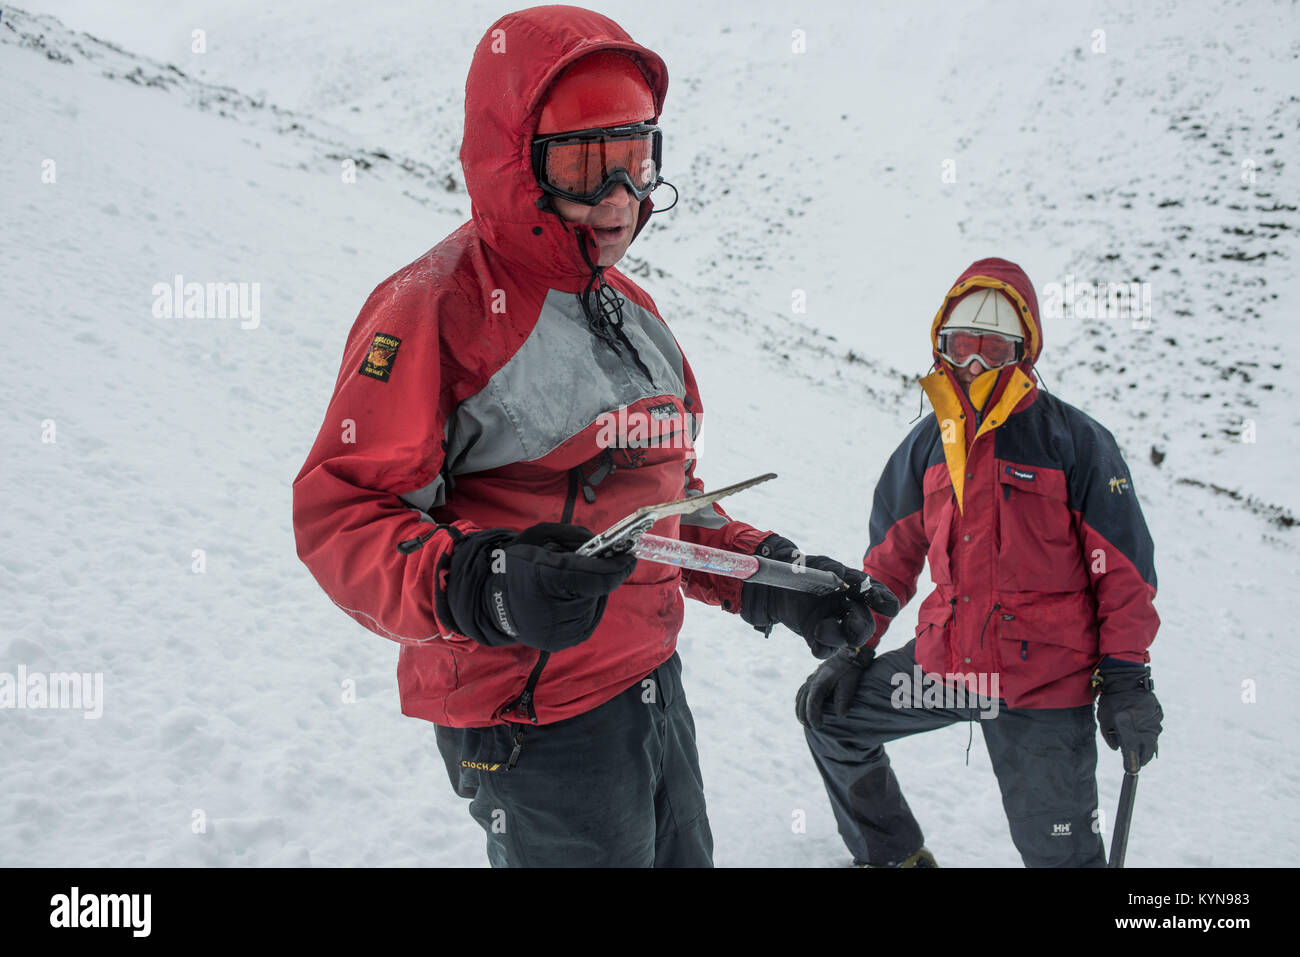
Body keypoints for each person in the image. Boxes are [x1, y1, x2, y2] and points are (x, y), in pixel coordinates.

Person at [292, 4, 886, 868]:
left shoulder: (635, 315)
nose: (619, 199)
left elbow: (663, 507)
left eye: (637, 161)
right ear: (513, 163)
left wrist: (773, 581)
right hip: (531, 719)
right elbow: (341, 516)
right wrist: (479, 581)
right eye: (584, 165)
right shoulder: (434, 308)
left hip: (649, 686)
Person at [795, 257, 1164, 867]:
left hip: (1043, 686)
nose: (972, 364)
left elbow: (1123, 575)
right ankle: (893, 856)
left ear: (1021, 351)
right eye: (959, 346)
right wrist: (853, 649)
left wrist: (1127, 677)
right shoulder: (925, 446)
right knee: (831, 721)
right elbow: (889, 566)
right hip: (946, 668)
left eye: (991, 349)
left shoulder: (1074, 441)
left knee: (1061, 856)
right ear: (940, 346)